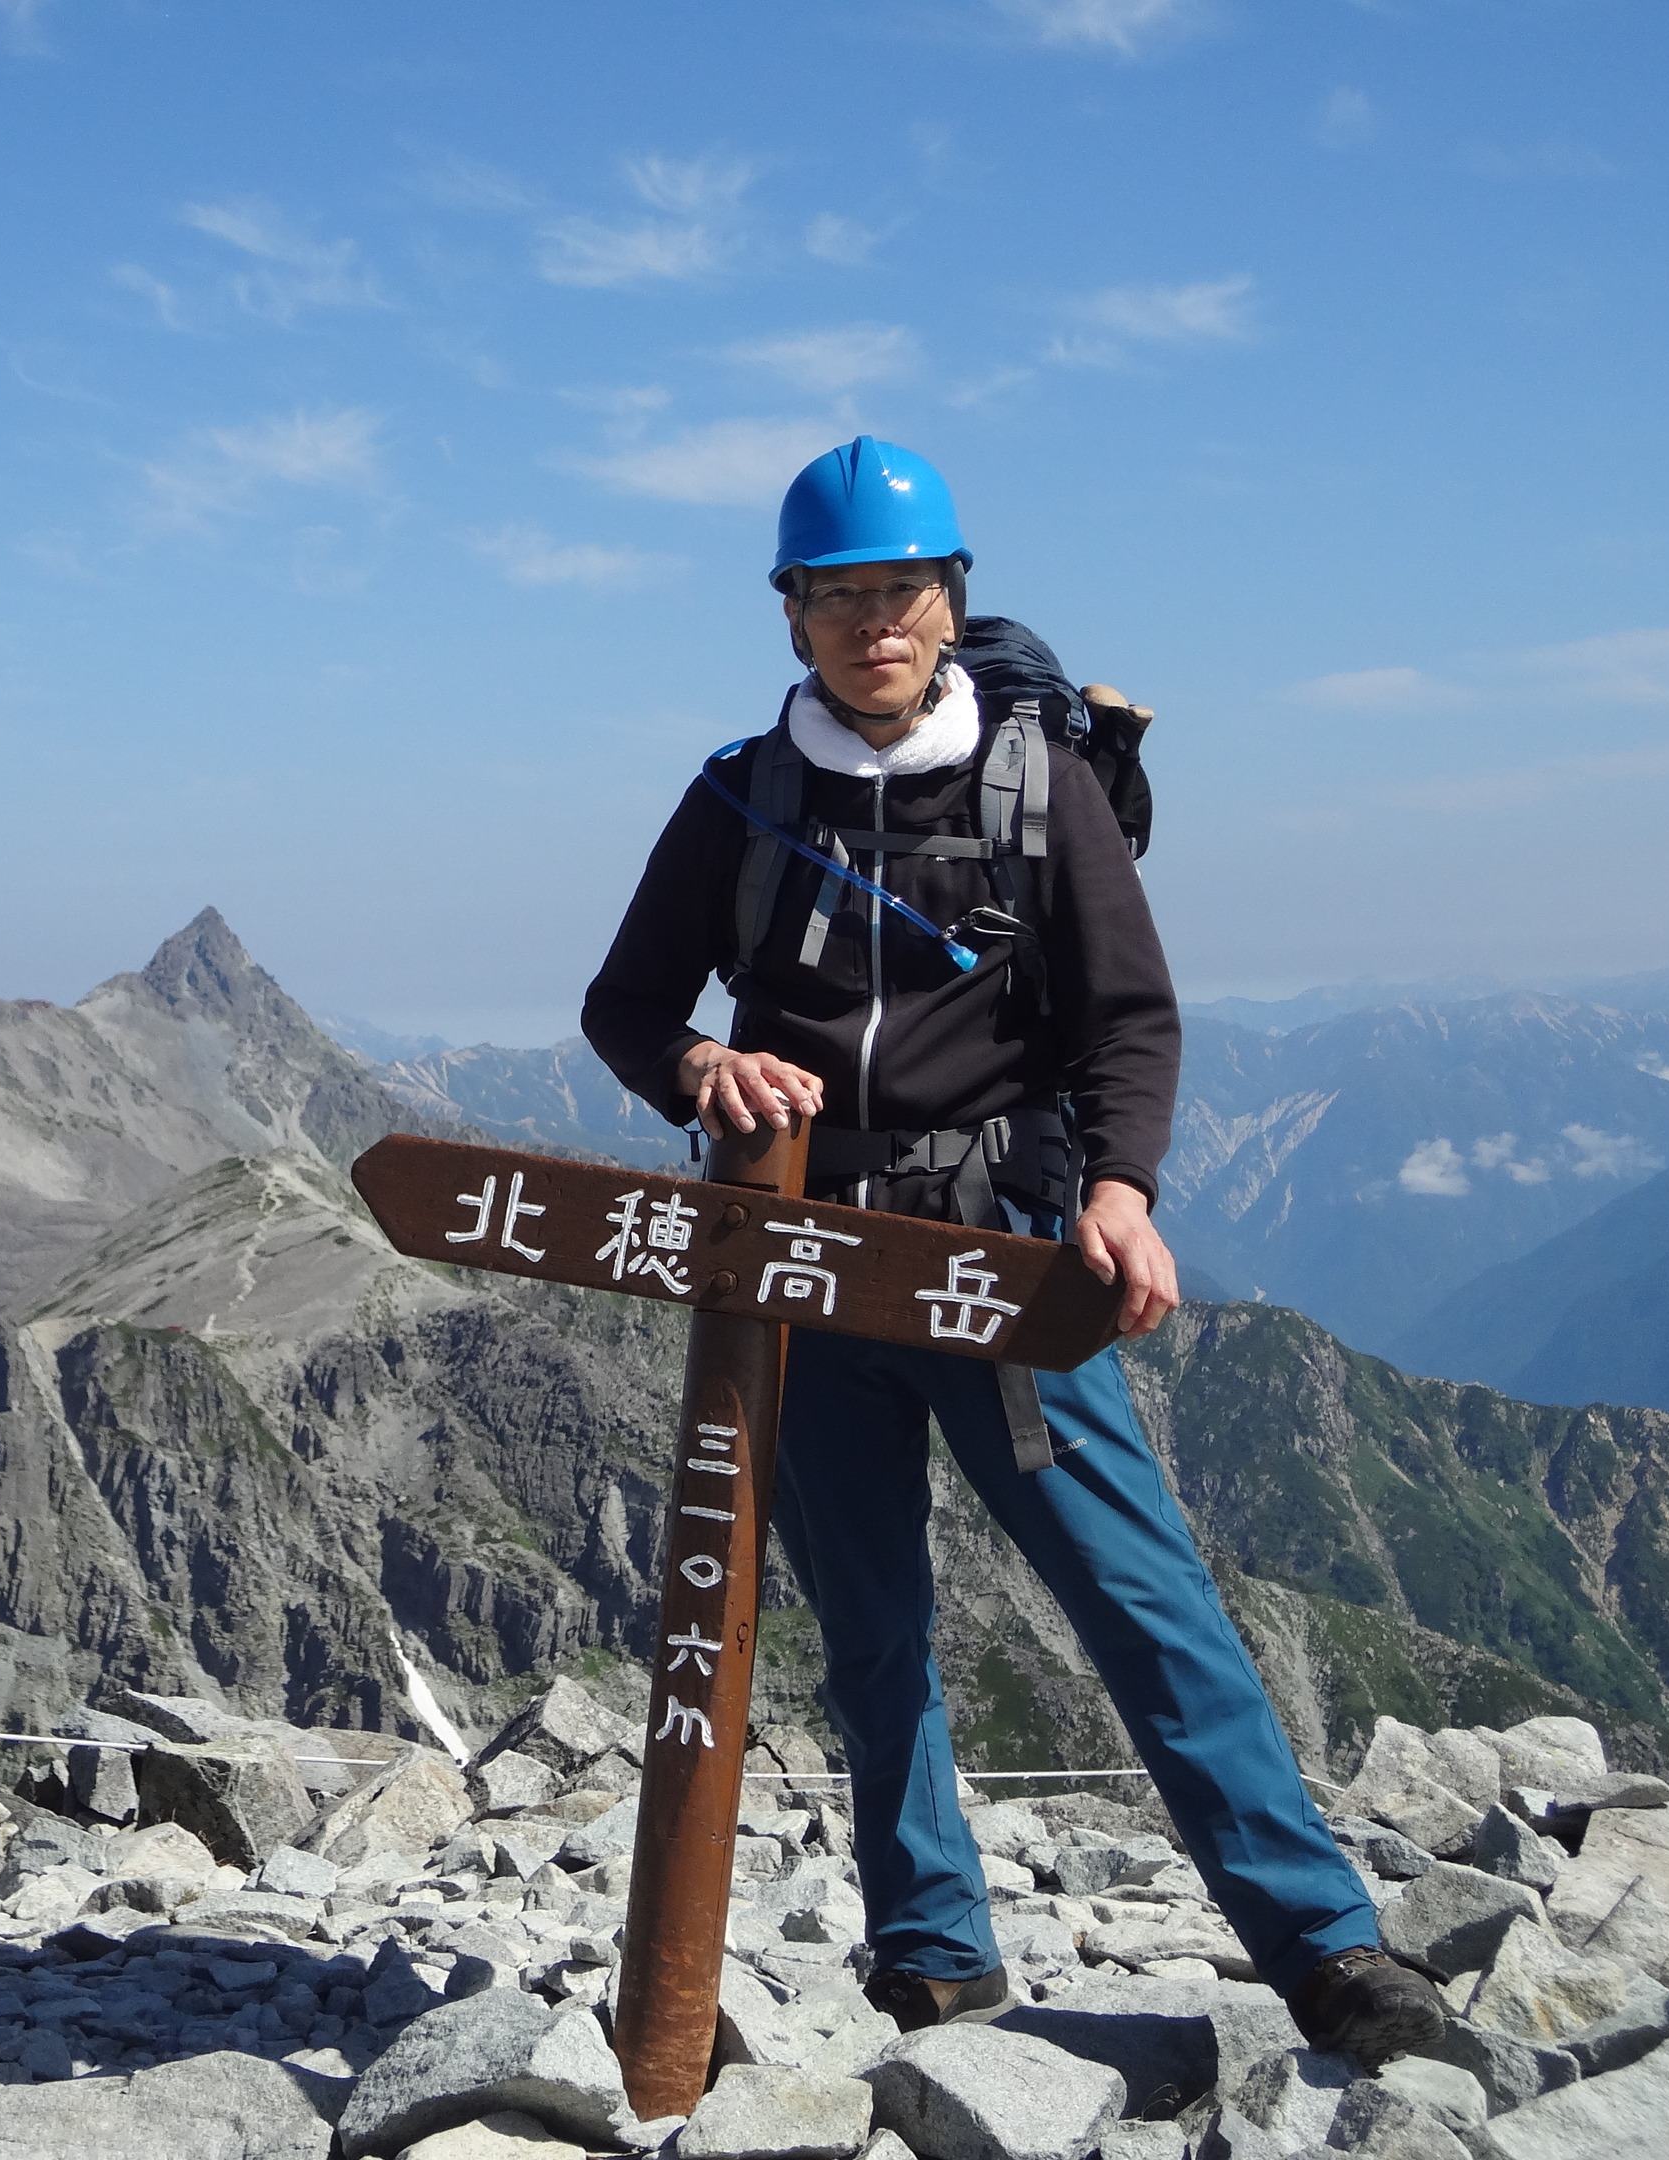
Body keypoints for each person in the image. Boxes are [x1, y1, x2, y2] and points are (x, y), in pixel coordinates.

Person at [579, 437, 1444, 2064]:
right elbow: (626, 1002)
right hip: (811, 1271)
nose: (870, 623)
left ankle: (1327, 1948)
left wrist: (1120, 1190)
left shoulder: (1037, 786)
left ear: (950, 601)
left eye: (898, 590)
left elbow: (1128, 1013)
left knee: (1141, 1597)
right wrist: (699, 1069)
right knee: (870, 1621)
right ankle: (933, 1955)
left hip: (999, 1260)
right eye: (834, 595)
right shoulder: (734, 800)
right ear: (791, 617)